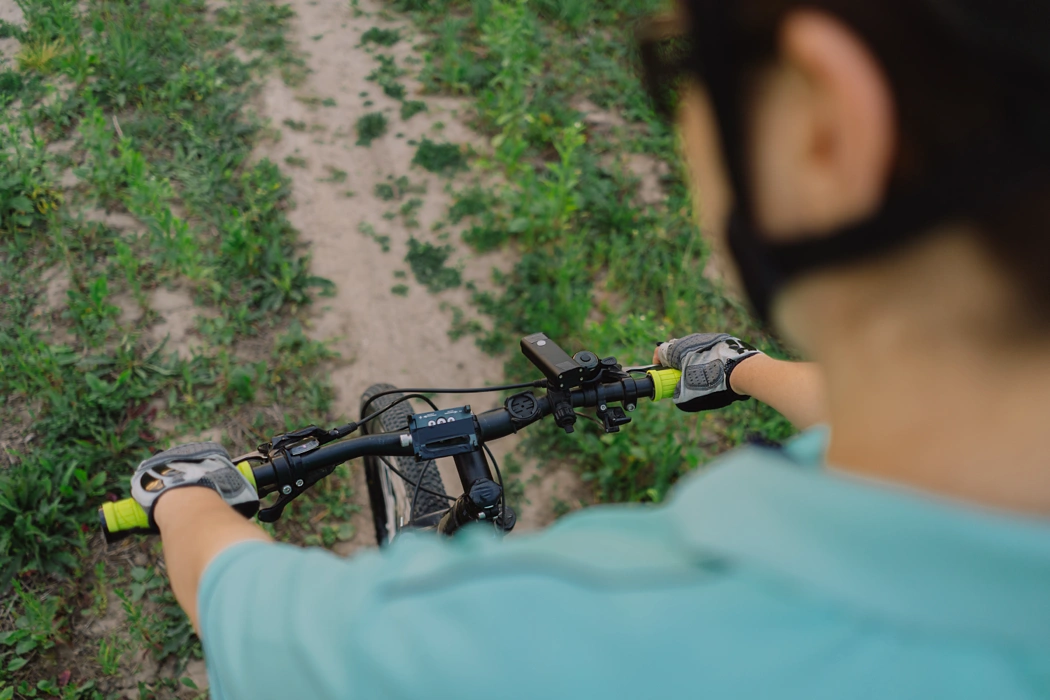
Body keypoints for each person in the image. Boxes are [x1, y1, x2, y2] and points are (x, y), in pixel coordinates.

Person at [131, 0, 1050, 697]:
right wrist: (742, 370)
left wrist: (187, 502)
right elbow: (907, 416)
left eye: (676, 64)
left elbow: (261, 615)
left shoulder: (587, 636)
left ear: (829, 132)